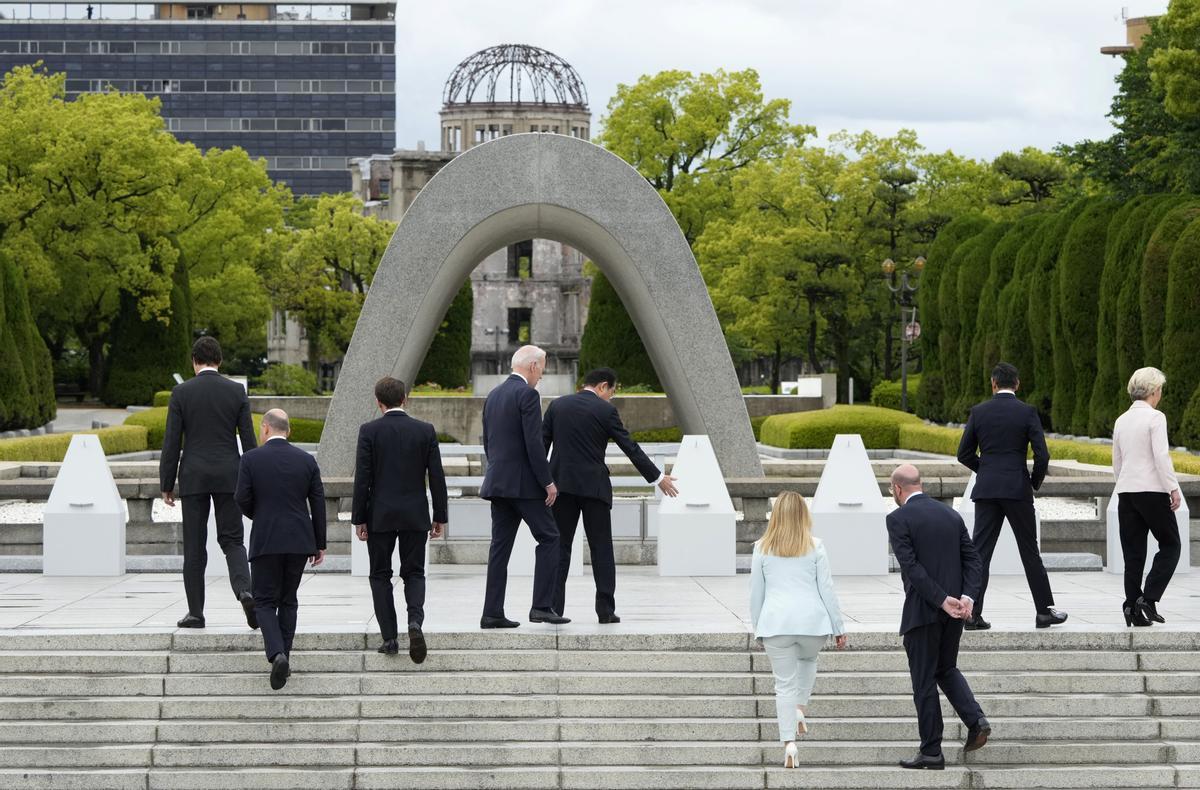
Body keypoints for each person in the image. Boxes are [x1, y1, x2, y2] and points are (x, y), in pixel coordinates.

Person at [542, 367, 679, 623]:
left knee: (560, 548)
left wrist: (543, 482)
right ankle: (605, 611)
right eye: (612, 392)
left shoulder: (557, 406)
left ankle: (552, 608)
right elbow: (630, 447)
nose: (611, 398)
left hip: (561, 488)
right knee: (601, 549)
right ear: (603, 386)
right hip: (595, 489)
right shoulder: (605, 411)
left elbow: (541, 447)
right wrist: (658, 478)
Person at [886, 464, 990, 770]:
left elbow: (912, 568)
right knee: (946, 668)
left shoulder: (897, 518)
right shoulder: (950, 515)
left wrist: (941, 600)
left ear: (897, 489)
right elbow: (973, 559)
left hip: (924, 612)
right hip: (955, 613)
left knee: (924, 682)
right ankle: (976, 720)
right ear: (921, 484)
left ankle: (932, 751)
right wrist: (967, 598)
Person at [956, 361, 1067, 630]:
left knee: (980, 553)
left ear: (993, 383)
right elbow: (1043, 455)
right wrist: (1032, 482)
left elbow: (963, 454)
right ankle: (1043, 611)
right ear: (1017, 384)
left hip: (987, 490)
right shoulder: (1027, 412)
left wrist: (987, 470)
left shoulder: (979, 412)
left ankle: (972, 614)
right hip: (1017, 489)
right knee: (1029, 551)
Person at [160, 336, 258, 630]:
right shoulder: (236, 391)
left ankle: (196, 613)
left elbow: (171, 442)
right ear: (220, 360)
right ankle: (245, 591)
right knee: (232, 540)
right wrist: (254, 480)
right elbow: (249, 441)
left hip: (193, 476)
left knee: (194, 546)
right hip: (230, 474)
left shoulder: (181, 392)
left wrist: (167, 482)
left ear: (194, 361)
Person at [352, 377, 448, 662]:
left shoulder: (369, 431)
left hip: (379, 515)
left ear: (378, 402)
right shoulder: (425, 431)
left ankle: (390, 638)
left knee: (380, 575)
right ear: (405, 398)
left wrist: (359, 519)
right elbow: (437, 477)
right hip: (415, 514)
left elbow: (363, 479)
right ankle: (415, 622)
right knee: (414, 573)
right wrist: (439, 515)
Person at [750, 491, 847, 769]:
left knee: (783, 684)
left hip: (776, 624)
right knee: (808, 660)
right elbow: (827, 590)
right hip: (812, 624)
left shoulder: (761, 547)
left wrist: (758, 628)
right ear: (804, 515)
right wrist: (838, 626)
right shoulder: (815, 546)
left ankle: (788, 743)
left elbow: (756, 594)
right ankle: (800, 708)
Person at [234, 409, 326, 690]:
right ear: (289, 431)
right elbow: (318, 503)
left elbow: (241, 498)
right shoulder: (306, 460)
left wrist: (260, 516)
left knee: (263, 601)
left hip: (266, 538)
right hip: (299, 539)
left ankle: (277, 654)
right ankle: (284, 655)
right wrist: (319, 543)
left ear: (264, 429)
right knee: (289, 600)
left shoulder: (250, 459)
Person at [479, 345, 568, 628]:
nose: (541, 374)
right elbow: (534, 443)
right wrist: (548, 482)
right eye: (541, 367)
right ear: (532, 367)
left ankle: (491, 612)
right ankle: (541, 606)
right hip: (524, 486)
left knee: (499, 549)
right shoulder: (528, 394)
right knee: (551, 538)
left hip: (498, 483)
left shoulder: (493, 395)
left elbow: (488, 442)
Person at [1112, 367, 1183, 627]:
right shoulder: (1156, 418)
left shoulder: (1121, 420)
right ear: (1154, 391)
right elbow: (1161, 456)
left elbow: (1116, 463)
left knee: (1133, 554)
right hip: (1152, 491)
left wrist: (1125, 483)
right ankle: (1149, 598)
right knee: (1171, 545)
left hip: (1126, 491)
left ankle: (1131, 606)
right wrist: (1173, 488)